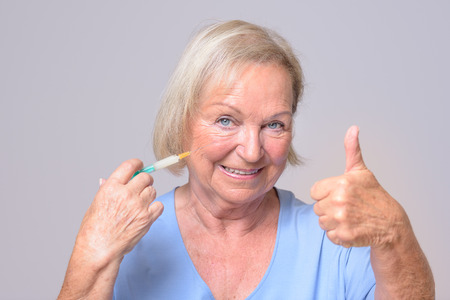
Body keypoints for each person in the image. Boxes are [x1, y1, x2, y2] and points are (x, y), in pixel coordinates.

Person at [58, 20, 434, 299]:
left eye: (274, 124)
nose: (252, 151)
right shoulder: (128, 236)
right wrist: (92, 254)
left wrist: (394, 234)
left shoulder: (336, 241)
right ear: (181, 122)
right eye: (226, 120)